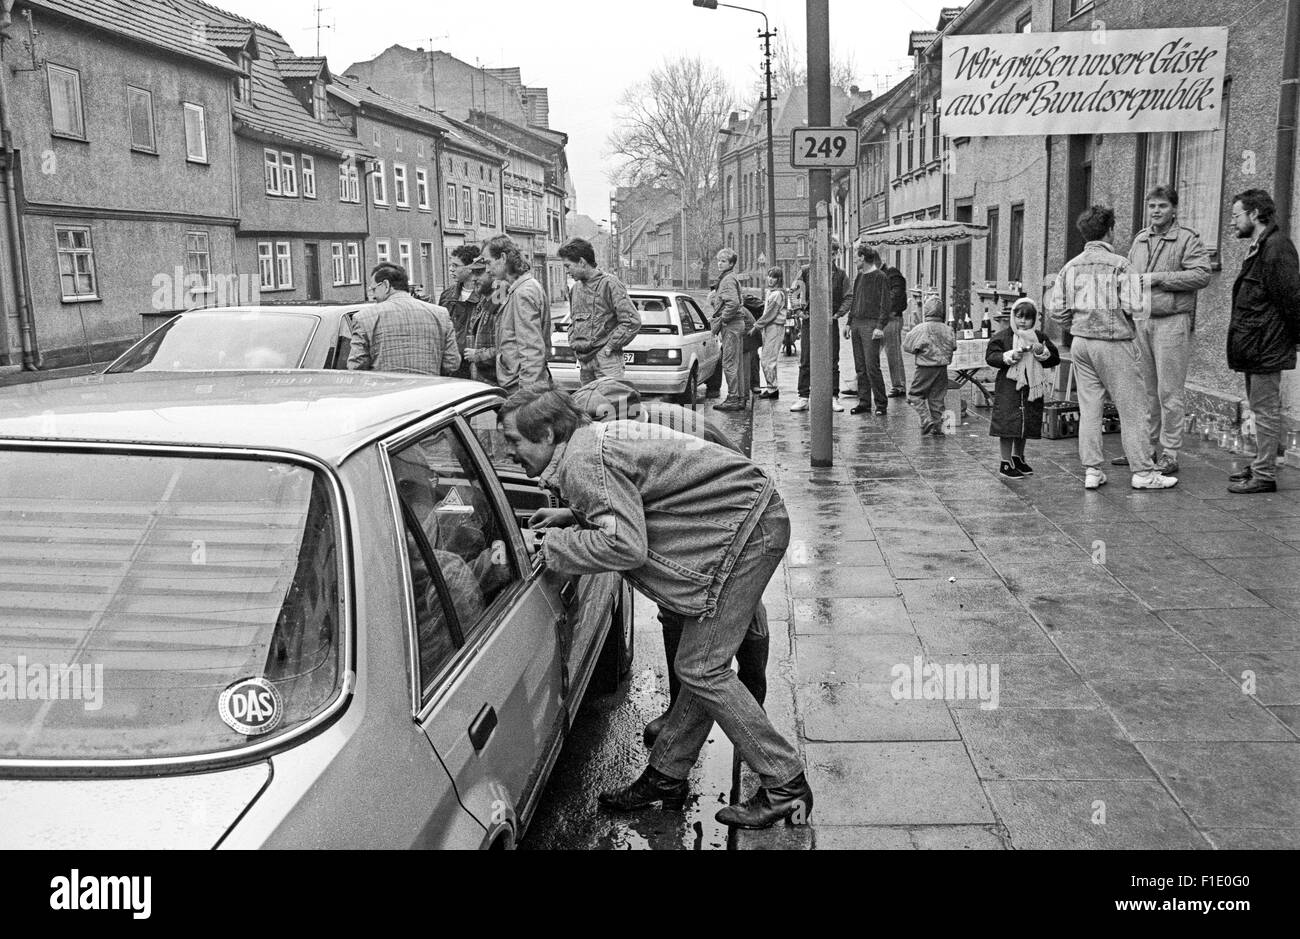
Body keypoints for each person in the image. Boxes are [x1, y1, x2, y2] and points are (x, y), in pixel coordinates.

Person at [503, 387, 810, 829]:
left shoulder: (581, 461)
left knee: (703, 669)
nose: (509, 452)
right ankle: (666, 775)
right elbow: (639, 491)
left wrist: (552, 544)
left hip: (743, 535)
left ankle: (786, 783)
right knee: (698, 667)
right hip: (746, 524)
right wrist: (575, 516)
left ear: (548, 433)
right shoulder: (590, 442)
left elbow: (624, 546)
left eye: (514, 441)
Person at [569, 378, 769, 748]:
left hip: (725, 529)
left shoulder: (686, 427)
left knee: (746, 613)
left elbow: (745, 477)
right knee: (674, 612)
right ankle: (678, 708)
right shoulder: (615, 436)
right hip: (671, 534)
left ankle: (754, 694)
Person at [1048, 206, 1177, 491]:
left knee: (1089, 408)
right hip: (1114, 343)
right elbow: (1137, 307)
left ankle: (1092, 471)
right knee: (1133, 409)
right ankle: (1143, 472)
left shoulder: (1070, 266)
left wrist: (1075, 324)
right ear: (1110, 231)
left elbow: (1056, 310)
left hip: (1081, 344)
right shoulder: (1121, 264)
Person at [1112, 186, 1211, 475]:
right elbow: (1130, 276)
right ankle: (1146, 449)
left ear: (1174, 209)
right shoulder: (1140, 240)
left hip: (1172, 322)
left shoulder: (1187, 239)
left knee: (1170, 391)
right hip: (1142, 321)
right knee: (1146, 391)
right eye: (1152, 205)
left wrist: (1159, 278)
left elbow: (1201, 275)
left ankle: (1170, 452)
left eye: (1163, 206)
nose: (1156, 211)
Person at [1226, 188, 1300, 494]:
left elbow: (1292, 297)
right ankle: (1260, 462)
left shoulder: (1276, 247)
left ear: (1255, 214)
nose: (1232, 223)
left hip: (1266, 342)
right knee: (1259, 408)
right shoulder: (1261, 245)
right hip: (1254, 343)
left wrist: (1295, 338)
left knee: (1266, 410)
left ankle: (1265, 473)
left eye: (1236, 215)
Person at [986, 298, 1061, 478]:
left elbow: (1054, 358)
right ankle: (1005, 462)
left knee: (1025, 423)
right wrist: (1008, 356)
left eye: (1027, 318)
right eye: (1019, 316)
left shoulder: (1040, 337)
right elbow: (990, 356)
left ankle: (1018, 457)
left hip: (1030, 387)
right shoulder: (1003, 336)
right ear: (1013, 317)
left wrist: (1042, 352)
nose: (1022, 321)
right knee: (1008, 424)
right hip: (1008, 388)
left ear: (1034, 320)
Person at [348, 263, 460, 376]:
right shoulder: (440, 314)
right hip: (429, 390)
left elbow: (356, 367)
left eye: (374, 289)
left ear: (386, 285)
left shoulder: (364, 318)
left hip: (386, 391)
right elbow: (452, 363)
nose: (373, 295)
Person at [558, 237, 641, 383]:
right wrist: (573, 340)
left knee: (611, 403)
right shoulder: (575, 289)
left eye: (568, 266)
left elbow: (631, 321)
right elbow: (574, 320)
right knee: (588, 404)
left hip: (607, 362)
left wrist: (610, 346)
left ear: (582, 262)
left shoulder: (609, 284)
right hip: (584, 362)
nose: (567, 272)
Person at [483, 234, 551, 392]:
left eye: (488, 262)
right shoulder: (522, 288)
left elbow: (531, 350)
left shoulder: (522, 293)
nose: (487, 269)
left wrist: (527, 396)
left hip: (521, 386)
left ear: (502, 257)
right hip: (520, 382)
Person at [791, 245, 850, 412]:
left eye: (833, 253)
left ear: (836, 254)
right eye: (827, 253)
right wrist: (799, 312)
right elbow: (794, 291)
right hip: (810, 321)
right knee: (806, 359)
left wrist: (838, 314)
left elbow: (848, 296)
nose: (829, 257)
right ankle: (803, 397)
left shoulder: (840, 274)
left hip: (830, 322)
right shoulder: (805, 271)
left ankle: (833, 397)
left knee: (832, 359)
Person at [845, 245, 892, 416]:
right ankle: (864, 402)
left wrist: (880, 326)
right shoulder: (859, 277)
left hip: (871, 325)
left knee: (872, 366)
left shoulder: (880, 277)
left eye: (857, 258)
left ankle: (881, 404)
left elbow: (885, 304)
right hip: (857, 323)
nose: (855, 261)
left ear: (863, 257)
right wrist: (849, 323)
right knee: (860, 367)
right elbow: (855, 300)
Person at [901, 296, 957, 435]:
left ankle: (926, 419)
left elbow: (907, 346)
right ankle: (940, 427)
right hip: (942, 368)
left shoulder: (921, 329)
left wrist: (919, 350)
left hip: (925, 368)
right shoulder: (948, 329)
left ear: (926, 311)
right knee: (937, 398)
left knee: (914, 395)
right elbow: (954, 346)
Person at [708, 248, 754, 411]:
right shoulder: (730, 278)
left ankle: (733, 398)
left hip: (731, 325)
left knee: (729, 363)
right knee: (736, 362)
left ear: (731, 263)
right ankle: (740, 397)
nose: (720, 263)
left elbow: (733, 303)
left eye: (724, 261)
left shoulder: (727, 280)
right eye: (719, 260)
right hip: (736, 324)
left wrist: (722, 319)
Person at [438, 245, 484, 379]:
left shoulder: (486, 296)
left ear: (470, 268)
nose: (451, 269)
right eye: (450, 265)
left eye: (456, 265)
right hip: (452, 364)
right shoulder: (447, 295)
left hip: (477, 363)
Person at [462, 261, 501, 386]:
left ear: (492, 273)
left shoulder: (500, 302)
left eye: (478, 273)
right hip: (483, 382)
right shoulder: (484, 302)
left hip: (496, 383)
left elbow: (507, 349)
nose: (473, 278)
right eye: (472, 273)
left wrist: (477, 355)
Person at [751, 267, 787, 399]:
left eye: (774, 277)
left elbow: (770, 314)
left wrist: (756, 326)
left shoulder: (777, 294)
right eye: (770, 276)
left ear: (779, 279)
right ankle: (772, 387)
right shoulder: (770, 292)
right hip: (769, 327)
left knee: (767, 360)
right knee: (768, 359)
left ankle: (772, 389)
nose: (771, 279)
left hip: (775, 327)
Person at [881, 260, 910, 396]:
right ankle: (858, 384)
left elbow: (896, 295)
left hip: (891, 318)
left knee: (893, 353)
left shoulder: (892, 274)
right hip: (878, 319)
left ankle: (899, 385)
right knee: (869, 353)